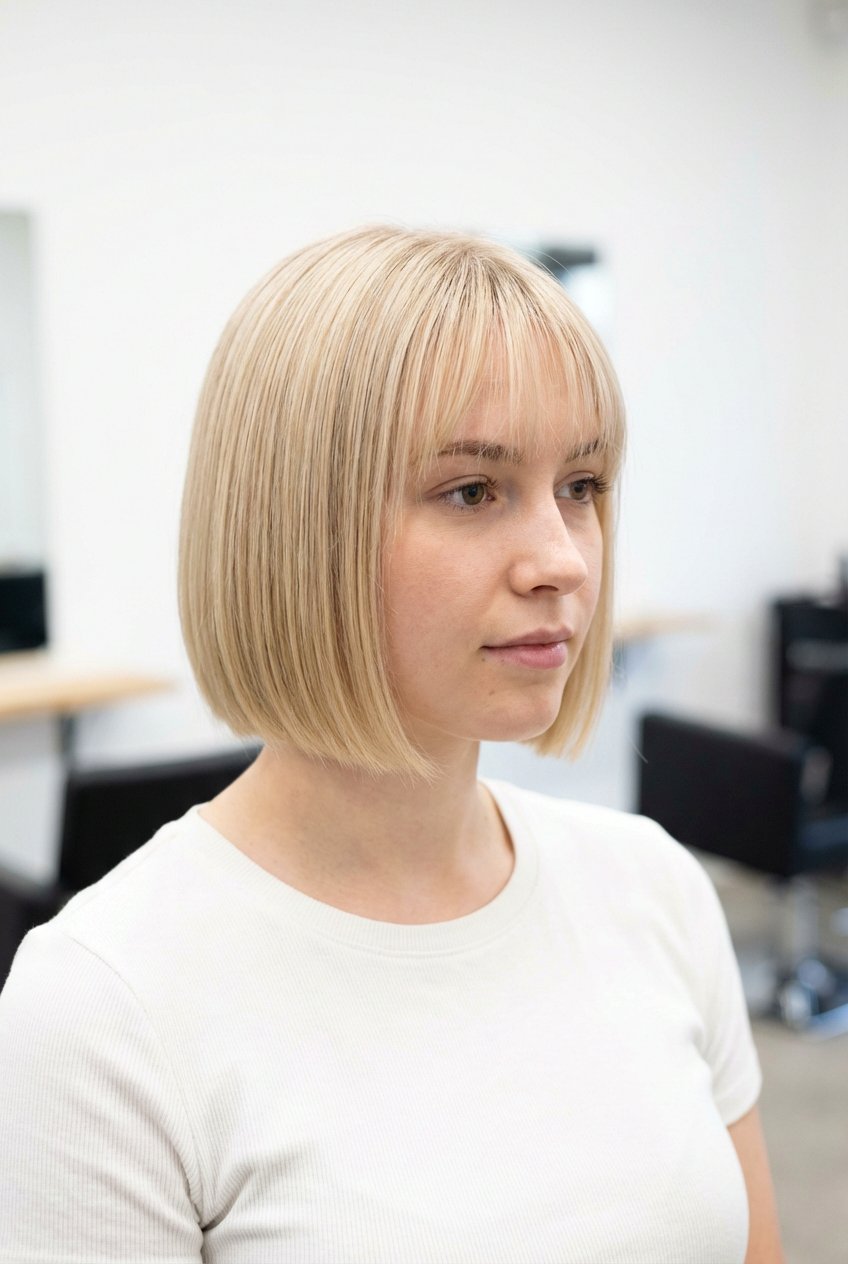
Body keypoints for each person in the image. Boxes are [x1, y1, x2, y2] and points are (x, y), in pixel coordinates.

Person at [0, 225, 784, 1263]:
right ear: (295, 527)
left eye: (581, 486)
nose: (561, 559)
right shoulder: (103, 1006)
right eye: (472, 491)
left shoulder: (655, 888)